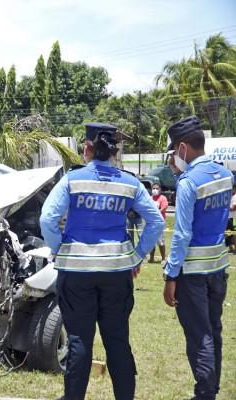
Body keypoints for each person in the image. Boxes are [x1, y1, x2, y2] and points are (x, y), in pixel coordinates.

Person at [40, 122, 165, 400]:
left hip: (76, 274)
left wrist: (60, 250)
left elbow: (47, 220)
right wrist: (135, 255)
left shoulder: (72, 180)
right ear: (113, 151)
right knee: (118, 341)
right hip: (116, 274)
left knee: (79, 341)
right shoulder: (130, 182)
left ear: (87, 148)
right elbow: (155, 221)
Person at [162, 115, 232, 400]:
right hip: (219, 269)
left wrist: (170, 276)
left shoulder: (188, 182)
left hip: (192, 274)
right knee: (214, 332)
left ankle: (205, 394)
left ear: (181, 149)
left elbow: (181, 235)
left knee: (199, 336)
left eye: (173, 154)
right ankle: (211, 389)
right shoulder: (224, 174)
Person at [149, 183, 168, 262]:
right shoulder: (149, 198)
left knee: (161, 241)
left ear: (160, 190)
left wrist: (155, 213)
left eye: (157, 188)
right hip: (151, 223)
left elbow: (163, 208)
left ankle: (163, 258)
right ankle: (151, 258)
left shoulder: (163, 198)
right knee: (151, 241)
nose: (155, 190)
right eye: (153, 188)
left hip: (160, 223)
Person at [226, 184, 236, 253]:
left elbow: (233, 208)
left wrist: (224, 207)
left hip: (233, 218)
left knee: (234, 234)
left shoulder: (235, 197)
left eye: (232, 189)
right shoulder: (230, 196)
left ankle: (235, 249)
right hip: (228, 218)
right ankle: (230, 248)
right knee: (226, 232)